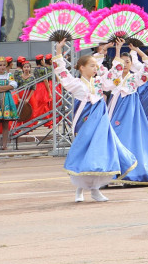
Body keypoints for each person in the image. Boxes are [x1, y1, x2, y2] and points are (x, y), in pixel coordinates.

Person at [51, 41, 136, 202]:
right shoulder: (75, 84)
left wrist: (117, 50)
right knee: (84, 154)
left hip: (100, 124)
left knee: (98, 154)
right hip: (85, 123)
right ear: (82, 67)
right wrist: (59, 49)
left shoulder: (99, 82)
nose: (95, 69)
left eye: (96, 66)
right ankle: (79, 190)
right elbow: (62, 72)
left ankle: (96, 190)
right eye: (92, 66)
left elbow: (112, 75)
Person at [106, 42, 148, 187]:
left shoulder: (135, 78)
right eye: (123, 62)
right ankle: (112, 174)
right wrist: (118, 49)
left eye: (128, 62)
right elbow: (115, 66)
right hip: (115, 110)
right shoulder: (113, 78)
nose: (125, 64)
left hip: (131, 113)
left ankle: (131, 173)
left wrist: (138, 51)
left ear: (132, 64)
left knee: (131, 139)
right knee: (113, 138)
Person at [0, 58, 18, 151]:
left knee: (6, 124)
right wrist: (7, 88)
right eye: (0, 65)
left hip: (7, 100)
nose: (2, 67)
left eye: (4, 65)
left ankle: (5, 145)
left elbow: (13, 85)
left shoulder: (9, 75)